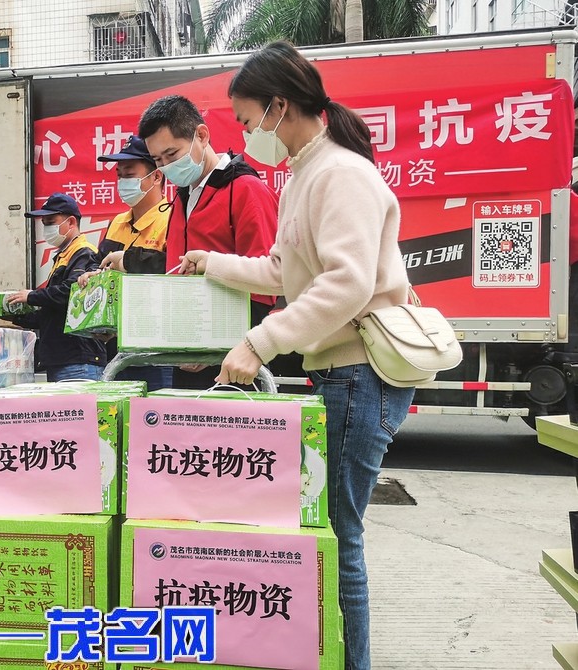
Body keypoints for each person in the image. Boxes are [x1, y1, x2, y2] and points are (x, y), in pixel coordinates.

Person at [179, 41, 415, 670]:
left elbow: (347, 283)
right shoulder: (305, 173)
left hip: (360, 373)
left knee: (340, 537)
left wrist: (259, 342)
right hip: (340, 374)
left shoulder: (340, 174)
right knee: (332, 533)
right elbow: (282, 271)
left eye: (247, 119)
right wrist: (213, 262)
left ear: (279, 106)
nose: (246, 134)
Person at [137, 94, 280, 387]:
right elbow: (176, 271)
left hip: (235, 362)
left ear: (201, 136)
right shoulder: (182, 198)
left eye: (172, 154)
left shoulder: (246, 190)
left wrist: (221, 345)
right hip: (185, 353)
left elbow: (267, 285)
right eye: (157, 160)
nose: (166, 167)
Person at [77, 134, 172, 391]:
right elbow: (99, 265)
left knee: (157, 414)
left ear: (156, 176)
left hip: (160, 351)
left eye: (129, 175)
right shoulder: (117, 222)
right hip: (117, 349)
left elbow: (176, 272)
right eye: (119, 175)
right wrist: (89, 277)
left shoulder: (172, 218)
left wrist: (129, 261)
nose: (122, 182)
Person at [8, 193, 107, 382]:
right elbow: (54, 313)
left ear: (71, 222)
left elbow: (72, 293)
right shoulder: (64, 256)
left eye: (51, 222)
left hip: (79, 360)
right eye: (44, 223)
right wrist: (15, 315)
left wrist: (32, 296)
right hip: (61, 359)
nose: (46, 228)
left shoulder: (85, 253)